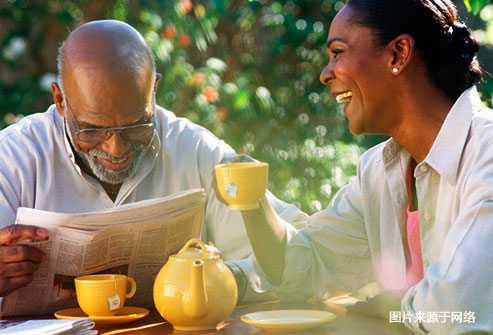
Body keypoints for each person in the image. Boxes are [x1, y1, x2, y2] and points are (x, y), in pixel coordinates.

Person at [220, 0, 493, 333]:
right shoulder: (378, 171)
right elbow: (305, 269)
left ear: (398, 54)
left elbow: (456, 310)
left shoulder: (487, 153)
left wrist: (391, 306)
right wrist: (253, 199)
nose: (325, 73)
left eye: (337, 52)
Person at [0, 20, 306, 299]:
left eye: (136, 125)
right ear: (60, 101)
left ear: (154, 91)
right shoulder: (13, 159)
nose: (116, 149)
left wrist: (221, 280)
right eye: (92, 130)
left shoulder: (195, 151)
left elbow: (301, 259)